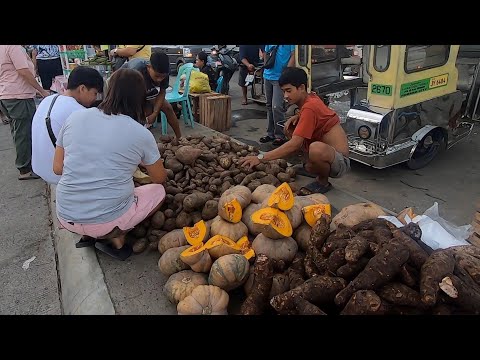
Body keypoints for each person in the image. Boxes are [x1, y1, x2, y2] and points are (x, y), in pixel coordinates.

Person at [53, 68, 168, 260]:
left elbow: (57, 168)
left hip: (66, 215)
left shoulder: (75, 117)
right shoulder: (140, 133)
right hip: (108, 221)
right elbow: (159, 178)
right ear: (140, 98)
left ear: (108, 91)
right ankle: (118, 240)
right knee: (158, 191)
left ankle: (88, 235)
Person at [239, 67, 350, 194]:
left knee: (315, 148)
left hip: (340, 162)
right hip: (331, 156)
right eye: (283, 91)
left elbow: (295, 143)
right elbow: (313, 114)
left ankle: (322, 181)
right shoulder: (310, 98)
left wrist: (261, 157)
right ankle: (310, 167)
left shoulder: (310, 107)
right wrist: (297, 116)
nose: (285, 96)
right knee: (291, 129)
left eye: (289, 91)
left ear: (301, 88)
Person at [31, 66, 104, 184]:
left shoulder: (49, 99)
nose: (95, 98)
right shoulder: (79, 112)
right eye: (95, 93)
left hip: (40, 168)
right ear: (82, 88)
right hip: (58, 175)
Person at [0, 45, 50, 180]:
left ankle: (25, 165)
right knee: (24, 133)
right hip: (18, 96)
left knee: (18, 132)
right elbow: (23, 71)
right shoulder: (13, 47)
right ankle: (25, 168)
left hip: (8, 95)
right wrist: (41, 90)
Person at [123, 52, 181, 138]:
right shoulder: (136, 71)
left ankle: (179, 138)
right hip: (124, 90)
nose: (159, 80)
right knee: (141, 115)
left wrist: (155, 113)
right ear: (149, 67)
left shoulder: (164, 71)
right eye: (157, 76)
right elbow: (132, 99)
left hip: (146, 90)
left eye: (163, 77)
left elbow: (162, 92)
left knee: (167, 108)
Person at [259, 45, 295, 146]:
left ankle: (280, 135)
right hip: (268, 76)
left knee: (277, 107)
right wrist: (266, 66)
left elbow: (293, 55)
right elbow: (265, 53)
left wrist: (286, 73)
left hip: (280, 78)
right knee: (269, 106)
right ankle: (270, 133)